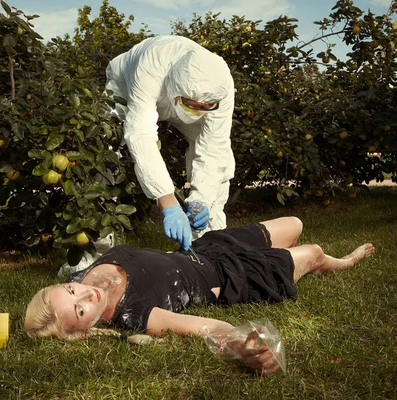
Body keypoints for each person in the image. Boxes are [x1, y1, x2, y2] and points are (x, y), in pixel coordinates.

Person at [24, 217, 375, 375]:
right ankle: (338, 263)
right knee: (312, 250)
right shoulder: (136, 314)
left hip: (210, 248)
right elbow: (204, 327)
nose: (86, 292)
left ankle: (301, 262)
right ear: (86, 330)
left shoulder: (80, 274)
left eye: (71, 290)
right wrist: (241, 345)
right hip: (230, 275)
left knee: (295, 224)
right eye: (80, 310)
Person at [105, 35, 236, 251]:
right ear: (175, 89)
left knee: (222, 157)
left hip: (186, 97)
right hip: (126, 88)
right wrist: (168, 203)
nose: (196, 112)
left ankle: (212, 243)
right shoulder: (150, 65)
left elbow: (214, 147)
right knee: (106, 148)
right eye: (191, 105)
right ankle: (97, 250)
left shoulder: (221, 87)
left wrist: (201, 200)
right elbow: (141, 134)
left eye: (204, 106)